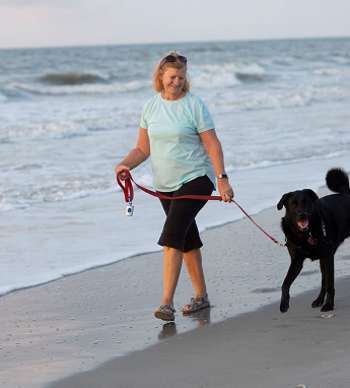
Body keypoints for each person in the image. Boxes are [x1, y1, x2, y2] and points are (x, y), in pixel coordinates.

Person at [115, 52, 234, 321]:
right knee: (186, 238)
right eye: (172, 77)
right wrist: (125, 165)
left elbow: (212, 144)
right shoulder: (150, 107)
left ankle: (166, 304)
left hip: (196, 179)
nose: (177, 82)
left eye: (181, 77)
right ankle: (201, 296)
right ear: (160, 76)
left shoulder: (195, 105)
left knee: (171, 238)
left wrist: (222, 179)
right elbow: (142, 149)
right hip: (165, 184)